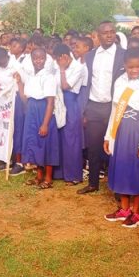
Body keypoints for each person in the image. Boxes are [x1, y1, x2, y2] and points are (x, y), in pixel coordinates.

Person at [103, 48, 139, 228]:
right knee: (122, 170)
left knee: (137, 172)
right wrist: (108, 136)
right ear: (124, 65)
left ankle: (136, 213)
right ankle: (124, 209)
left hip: (138, 132)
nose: (134, 70)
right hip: (120, 131)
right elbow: (114, 110)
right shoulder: (120, 81)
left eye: (138, 67)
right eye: (130, 67)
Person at [78, 21, 126, 194]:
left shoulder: (123, 54)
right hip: (94, 106)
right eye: (105, 33)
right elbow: (87, 82)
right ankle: (93, 183)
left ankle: (117, 186)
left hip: (114, 107)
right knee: (93, 147)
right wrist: (85, 109)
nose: (109, 35)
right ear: (97, 36)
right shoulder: (90, 56)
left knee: (116, 147)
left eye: (112, 32)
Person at [19, 49, 60, 189]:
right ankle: (39, 176)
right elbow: (25, 98)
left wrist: (45, 124)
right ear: (31, 59)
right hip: (32, 110)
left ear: (45, 59)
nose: (38, 61)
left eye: (41, 58)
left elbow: (50, 102)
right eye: (35, 58)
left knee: (46, 143)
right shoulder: (31, 77)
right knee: (35, 143)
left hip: (44, 111)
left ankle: (48, 178)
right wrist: (19, 83)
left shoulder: (49, 77)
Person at [0, 47, 25, 176]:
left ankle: (19, 162)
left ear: (7, 56)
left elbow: (23, 83)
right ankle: (8, 159)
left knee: (16, 130)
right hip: (3, 102)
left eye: (2, 60)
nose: (1, 63)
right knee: (5, 130)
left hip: (16, 101)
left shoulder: (16, 66)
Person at [53, 44, 85, 185]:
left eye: (57, 59)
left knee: (71, 140)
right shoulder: (58, 66)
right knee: (60, 137)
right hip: (59, 101)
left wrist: (61, 70)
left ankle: (73, 175)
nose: (56, 62)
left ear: (64, 57)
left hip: (71, 102)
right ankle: (60, 172)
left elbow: (65, 86)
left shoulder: (78, 68)